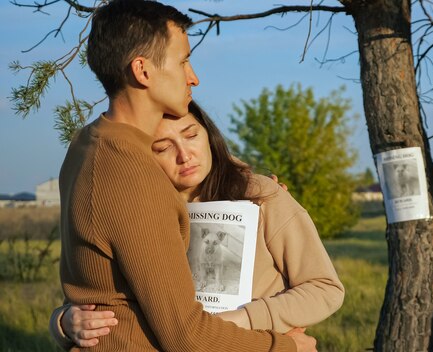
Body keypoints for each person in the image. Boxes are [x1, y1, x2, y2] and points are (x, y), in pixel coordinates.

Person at [54, 0, 315, 350]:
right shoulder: (132, 176)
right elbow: (186, 336)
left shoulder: (88, 143)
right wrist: (286, 347)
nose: (193, 77)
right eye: (183, 61)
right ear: (142, 71)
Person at [51, 100, 345, 347]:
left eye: (191, 135)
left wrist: (247, 319)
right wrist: (63, 322)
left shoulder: (260, 196)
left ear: (208, 133)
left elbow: (324, 288)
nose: (185, 155)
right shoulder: (138, 211)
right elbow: (103, 292)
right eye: (163, 147)